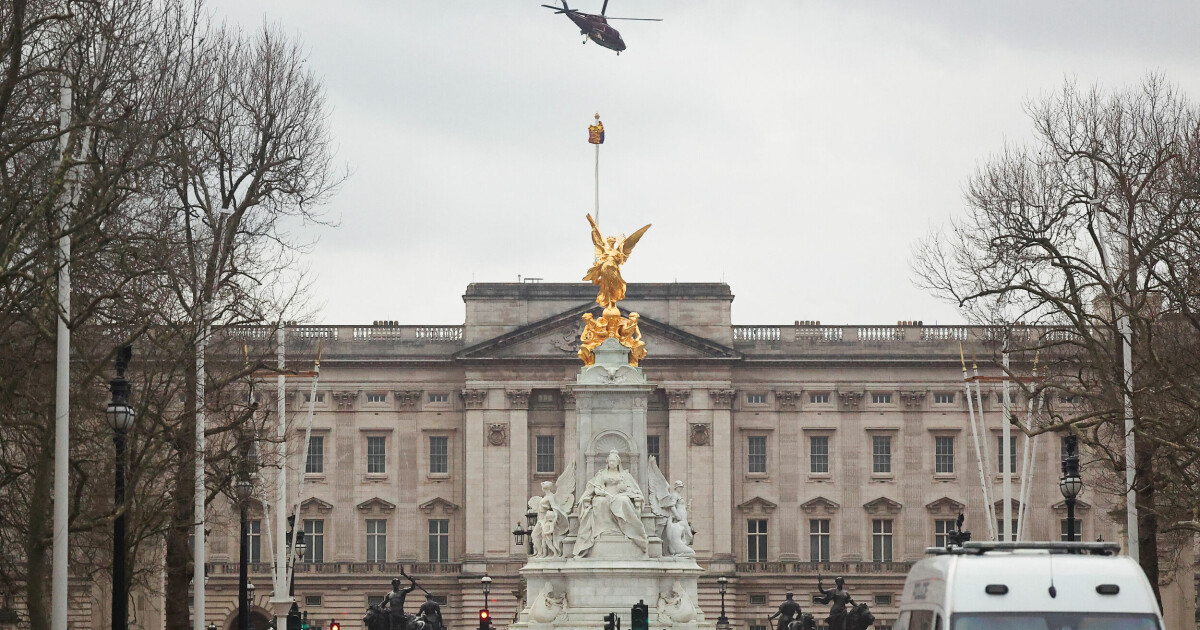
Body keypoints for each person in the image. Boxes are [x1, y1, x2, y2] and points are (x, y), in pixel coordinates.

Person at [574, 450, 647, 557]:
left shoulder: (625, 474)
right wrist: (601, 493)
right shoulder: (602, 474)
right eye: (610, 461)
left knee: (623, 501)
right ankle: (603, 531)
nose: (612, 463)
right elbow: (596, 488)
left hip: (620, 495)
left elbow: (632, 488)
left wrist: (624, 489)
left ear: (618, 462)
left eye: (614, 461)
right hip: (605, 495)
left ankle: (627, 529)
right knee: (600, 502)